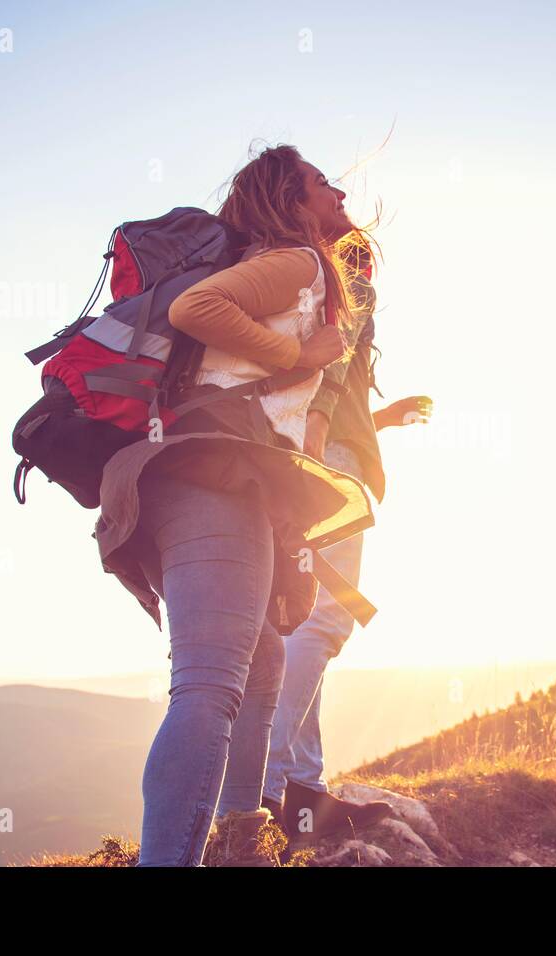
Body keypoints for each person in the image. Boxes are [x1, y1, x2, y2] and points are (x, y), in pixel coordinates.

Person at [93, 143, 376, 866]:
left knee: (265, 660)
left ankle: (240, 842)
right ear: (290, 199)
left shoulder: (298, 269)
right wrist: (298, 357)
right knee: (209, 685)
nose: (338, 193)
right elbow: (196, 307)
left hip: (202, 476)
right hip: (211, 474)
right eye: (322, 183)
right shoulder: (299, 262)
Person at [255, 235, 432, 843]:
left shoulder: (289, 286)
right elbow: (327, 379)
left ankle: (301, 783)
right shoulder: (348, 278)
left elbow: (324, 389)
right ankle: (271, 794)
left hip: (301, 451)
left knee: (299, 624)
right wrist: (321, 448)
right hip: (324, 458)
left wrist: (382, 419)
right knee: (322, 622)